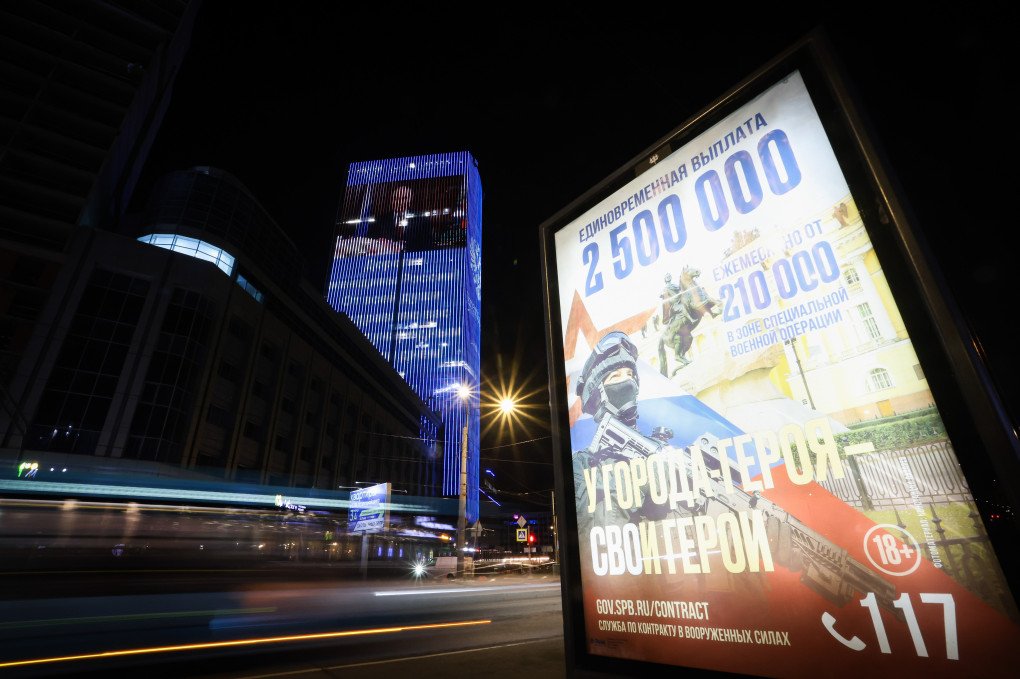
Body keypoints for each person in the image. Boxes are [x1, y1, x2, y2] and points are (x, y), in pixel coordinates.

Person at [367, 184, 434, 251]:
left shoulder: (421, 220)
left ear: (410, 200)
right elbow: (371, 242)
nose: (399, 201)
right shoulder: (379, 220)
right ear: (391, 200)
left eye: (403, 198)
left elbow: (428, 244)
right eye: (396, 198)